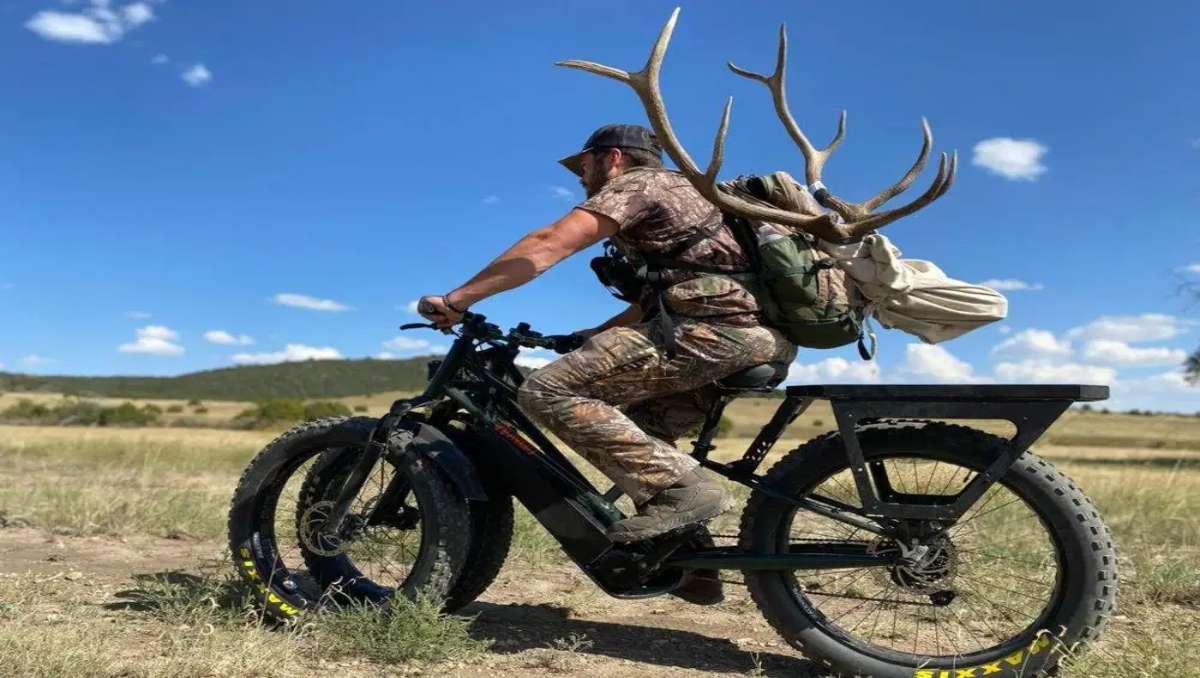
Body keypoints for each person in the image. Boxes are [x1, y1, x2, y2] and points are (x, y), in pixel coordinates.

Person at [417, 123, 795, 546]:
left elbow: (547, 244)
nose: (580, 177)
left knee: (547, 391)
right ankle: (685, 558)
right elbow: (658, 303)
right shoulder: (690, 195)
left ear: (613, 158)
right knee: (642, 431)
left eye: (584, 164)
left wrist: (458, 299)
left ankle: (688, 492)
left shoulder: (640, 184)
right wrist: (590, 335)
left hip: (712, 333)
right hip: (751, 336)